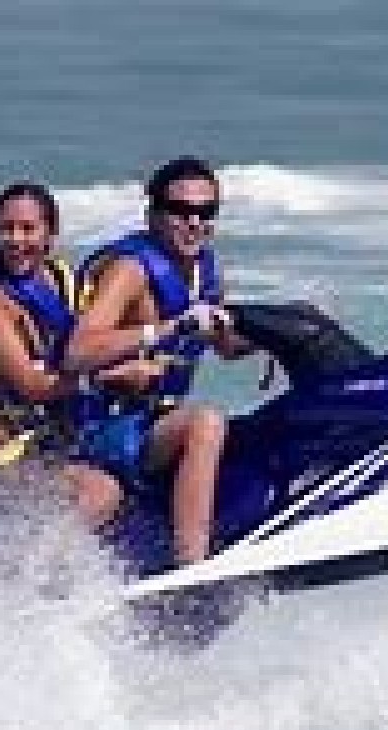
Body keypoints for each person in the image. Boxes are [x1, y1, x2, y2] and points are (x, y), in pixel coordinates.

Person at [67, 157, 252, 565]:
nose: (194, 222)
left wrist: (283, 335)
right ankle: (193, 565)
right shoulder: (130, 271)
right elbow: (78, 350)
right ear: (153, 214)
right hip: (102, 428)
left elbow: (224, 345)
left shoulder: (206, 270)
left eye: (206, 212)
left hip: (151, 424)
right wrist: (166, 330)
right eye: (181, 211)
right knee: (206, 422)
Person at [0, 181, 132, 524]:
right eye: (7, 229)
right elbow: (32, 385)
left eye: (28, 229)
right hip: (9, 455)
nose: (17, 241)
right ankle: (37, 572)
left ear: (50, 234)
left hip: (60, 440)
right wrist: (105, 376)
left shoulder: (58, 276)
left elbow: (92, 340)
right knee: (101, 491)